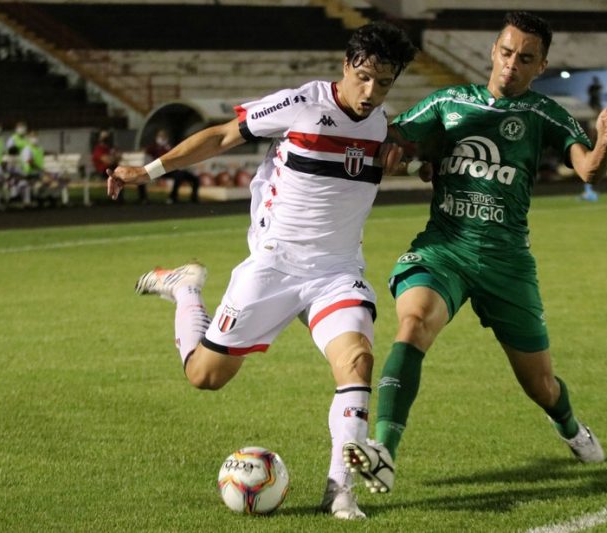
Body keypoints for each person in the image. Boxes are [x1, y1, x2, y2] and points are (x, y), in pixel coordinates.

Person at [106, 21, 415, 520]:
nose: (371, 92)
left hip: (337, 271)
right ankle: (186, 290)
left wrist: (410, 155)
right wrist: (148, 171)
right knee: (205, 377)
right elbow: (222, 135)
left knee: (356, 362)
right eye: (363, 77)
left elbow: (410, 146)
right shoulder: (303, 105)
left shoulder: (382, 126)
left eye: (384, 83)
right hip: (273, 267)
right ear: (345, 65)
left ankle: (340, 490)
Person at [342, 11, 607, 495]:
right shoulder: (449, 102)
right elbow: (397, 136)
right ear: (494, 50)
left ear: (541, 65)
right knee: (411, 326)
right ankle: (383, 450)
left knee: (541, 386)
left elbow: (588, 170)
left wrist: (603, 147)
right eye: (507, 52)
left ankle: (571, 427)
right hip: (444, 249)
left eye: (526, 58)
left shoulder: (544, 114)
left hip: (506, 263)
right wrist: (403, 151)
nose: (513, 64)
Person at [145, 129, 199, 203]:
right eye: (160, 136)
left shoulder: (169, 148)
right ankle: (144, 198)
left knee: (193, 178)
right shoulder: (152, 148)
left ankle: (188, 198)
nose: (162, 138)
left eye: (163, 136)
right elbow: (147, 160)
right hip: (157, 169)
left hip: (170, 169)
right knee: (142, 178)